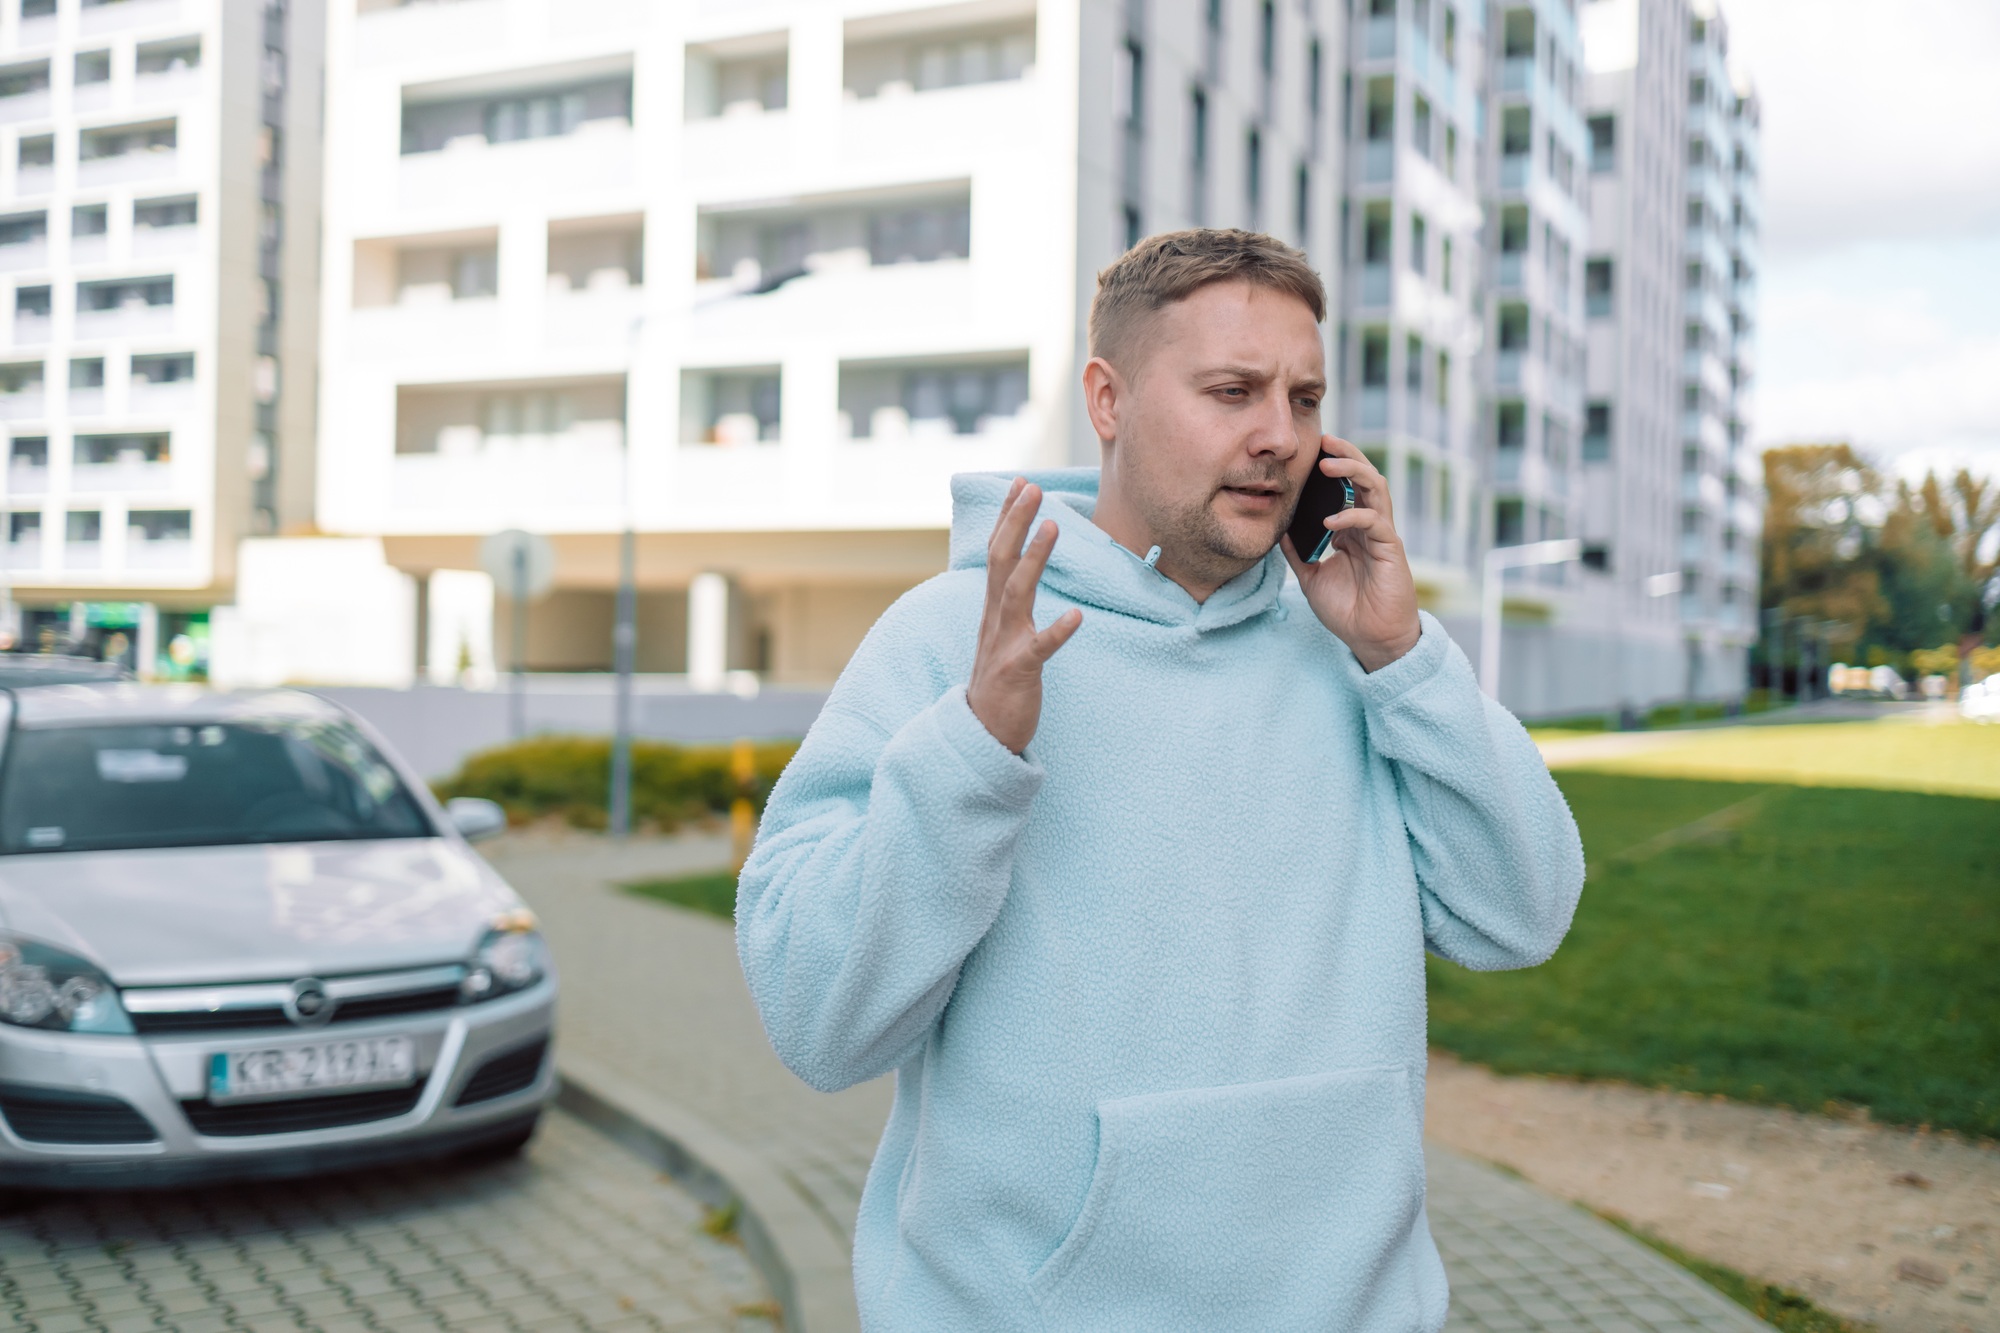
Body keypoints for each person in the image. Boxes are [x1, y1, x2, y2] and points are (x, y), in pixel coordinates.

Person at [737, 229, 1584, 1331]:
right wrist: (973, 753)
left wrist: (1403, 657)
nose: (1279, 437)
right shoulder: (955, 637)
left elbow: (1521, 914)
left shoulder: (1362, 649)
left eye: (1304, 398)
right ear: (1108, 399)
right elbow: (818, 1020)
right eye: (1232, 391)